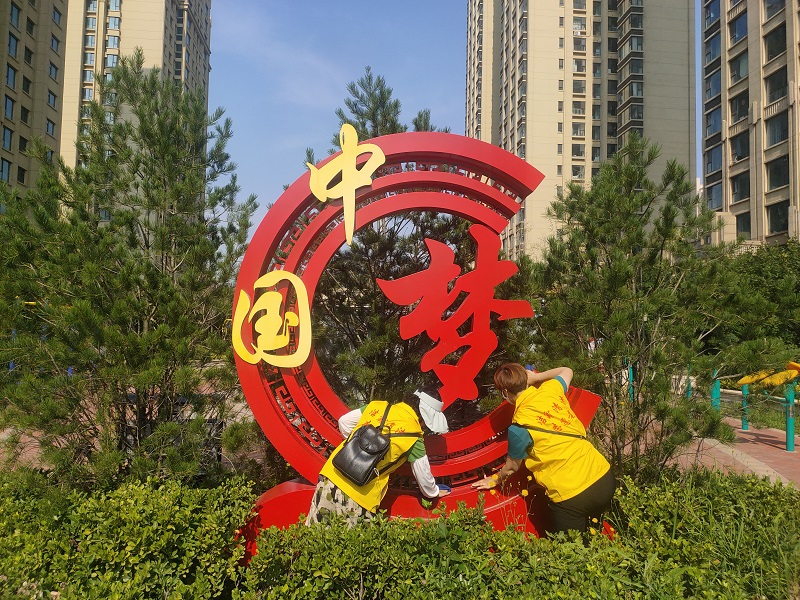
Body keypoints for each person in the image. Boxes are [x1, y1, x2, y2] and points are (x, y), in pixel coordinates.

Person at [472, 363, 615, 534]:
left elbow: (511, 468)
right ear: (526, 379)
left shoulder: (519, 428)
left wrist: (494, 480)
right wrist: (537, 377)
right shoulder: (551, 390)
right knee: (597, 535)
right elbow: (567, 370)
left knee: (570, 547)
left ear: (505, 392)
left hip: (572, 496)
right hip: (603, 477)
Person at [306, 389, 451, 525]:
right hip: (360, 495)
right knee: (349, 542)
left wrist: (358, 447)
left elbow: (344, 422)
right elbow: (424, 477)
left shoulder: (378, 406)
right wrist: (434, 492)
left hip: (331, 475)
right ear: (425, 417)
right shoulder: (414, 437)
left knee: (315, 535)